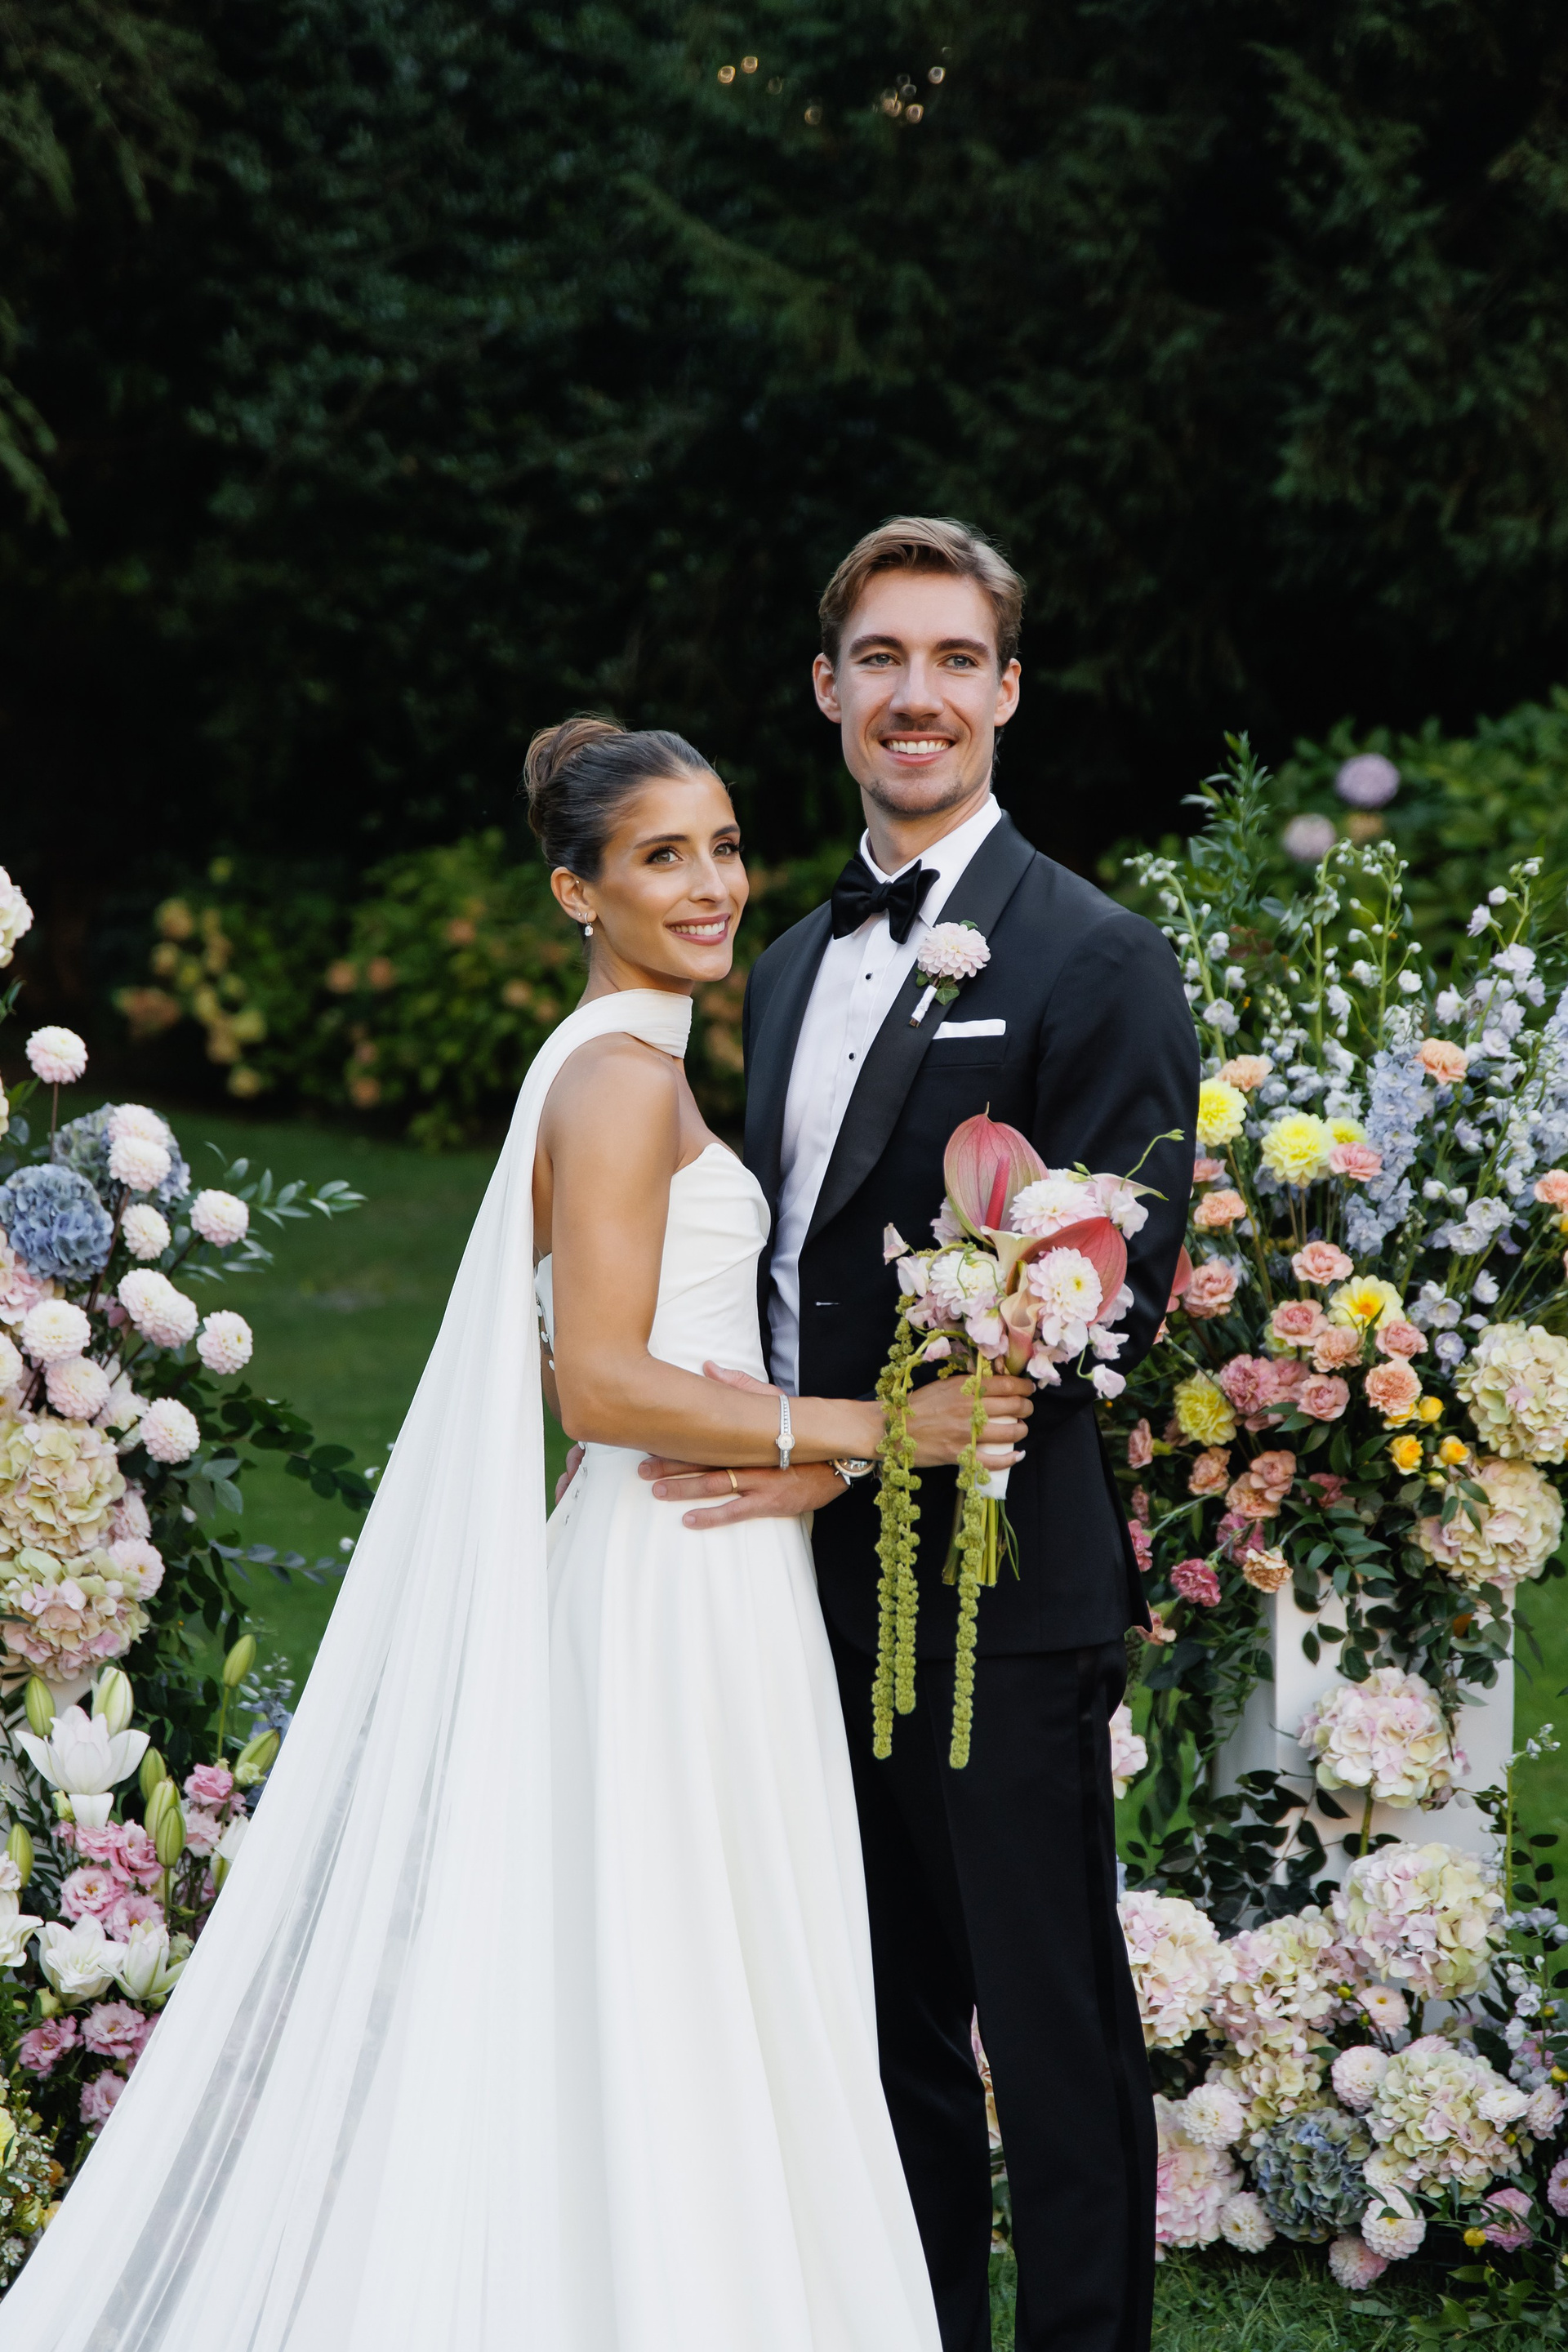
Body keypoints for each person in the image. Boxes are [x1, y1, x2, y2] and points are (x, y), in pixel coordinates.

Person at [0, 717, 1036, 2352]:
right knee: (691, 1974)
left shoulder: (616, 1062)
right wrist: (869, 1431)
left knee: (678, 1969)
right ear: (576, 890)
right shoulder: (619, 1083)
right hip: (675, 1582)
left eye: (721, 846)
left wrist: (808, 1450)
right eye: (660, 857)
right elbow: (601, 1383)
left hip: (696, 1559)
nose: (710, 885)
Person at [637, 519, 1200, 2352]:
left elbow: (1108, 1290)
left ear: (1008, 691)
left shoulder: (1098, 956)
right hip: (800, 1587)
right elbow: (788, 1258)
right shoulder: (786, 964)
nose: (917, 695)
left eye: (956, 659)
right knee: (877, 2027)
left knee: (1049, 2025)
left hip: (1005, 1590)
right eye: (881, 658)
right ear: (828, 689)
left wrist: (841, 1451)